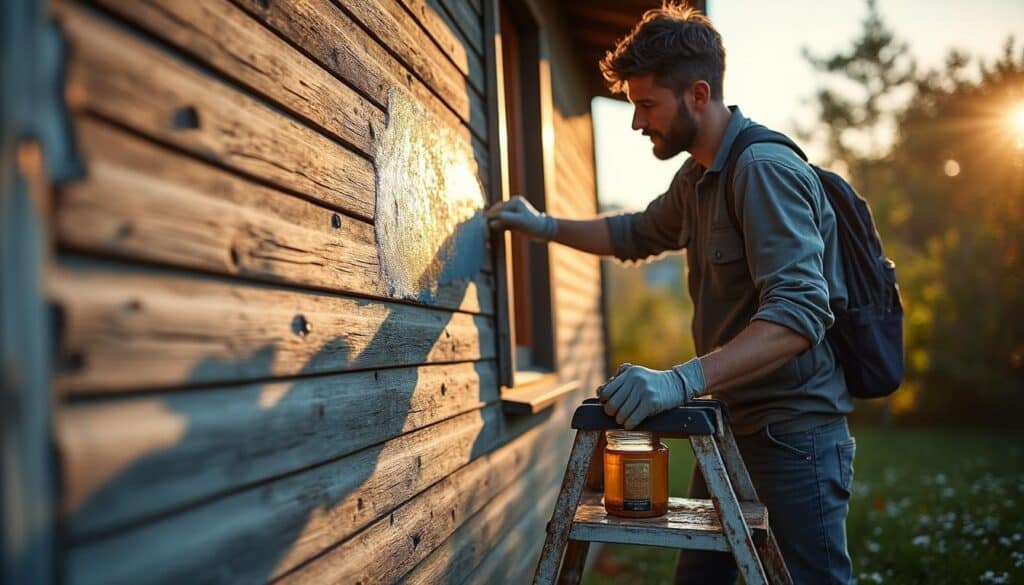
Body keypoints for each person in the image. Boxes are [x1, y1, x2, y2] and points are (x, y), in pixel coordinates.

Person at [485, 4, 856, 584]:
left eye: (646, 104)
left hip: (793, 439)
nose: (636, 122)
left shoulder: (760, 169)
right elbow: (633, 233)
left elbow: (800, 315)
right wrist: (545, 227)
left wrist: (676, 381)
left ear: (698, 94)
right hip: (732, 425)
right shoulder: (696, 179)